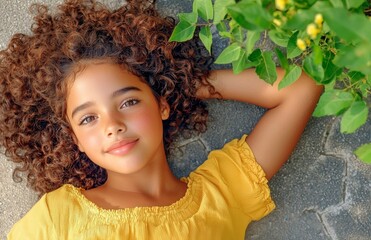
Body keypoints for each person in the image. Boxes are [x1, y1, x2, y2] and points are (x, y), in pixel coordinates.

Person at [0, 0, 323, 239]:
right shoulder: (57, 218)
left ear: (161, 105)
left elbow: (301, 88)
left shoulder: (222, 195)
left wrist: (182, 81)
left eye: (128, 101)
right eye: (87, 119)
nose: (112, 124)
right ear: (76, 141)